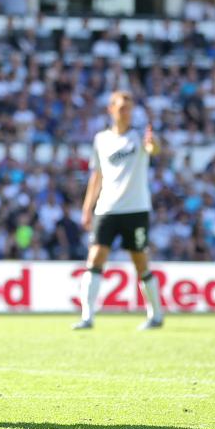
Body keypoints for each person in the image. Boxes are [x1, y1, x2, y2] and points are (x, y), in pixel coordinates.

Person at [75, 91, 164, 331]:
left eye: (129, 108)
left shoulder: (138, 137)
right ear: (111, 110)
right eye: (122, 107)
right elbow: (97, 175)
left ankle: (155, 315)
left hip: (135, 209)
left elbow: (154, 149)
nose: (126, 112)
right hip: (107, 208)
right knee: (95, 258)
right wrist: (87, 208)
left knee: (140, 262)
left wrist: (154, 145)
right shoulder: (101, 139)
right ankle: (87, 317)